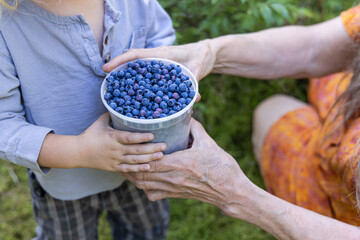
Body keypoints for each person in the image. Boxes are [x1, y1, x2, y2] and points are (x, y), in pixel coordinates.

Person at [103, 5, 360, 239]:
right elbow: (314, 48)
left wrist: (236, 195)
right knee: (273, 109)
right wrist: (211, 51)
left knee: (277, 114)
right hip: (348, 120)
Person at [0, 0, 175, 239]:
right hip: (65, 183)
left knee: (147, 230)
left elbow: (161, 40)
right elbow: (3, 123)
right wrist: (79, 151)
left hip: (139, 168)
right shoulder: (5, 25)